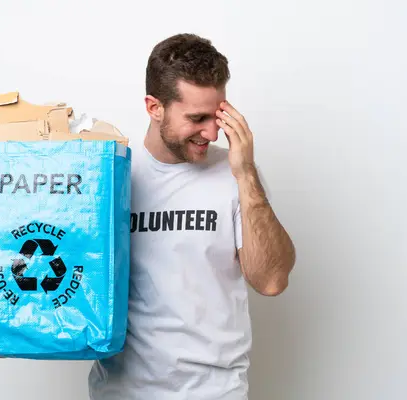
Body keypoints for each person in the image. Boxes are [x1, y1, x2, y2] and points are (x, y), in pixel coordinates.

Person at [88, 33, 296, 400]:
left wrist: (245, 173)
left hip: (216, 391)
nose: (213, 133)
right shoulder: (111, 173)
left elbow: (271, 280)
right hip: (123, 391)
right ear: (154, 107)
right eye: (197, 118)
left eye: (218, 116)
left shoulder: (237, 175)